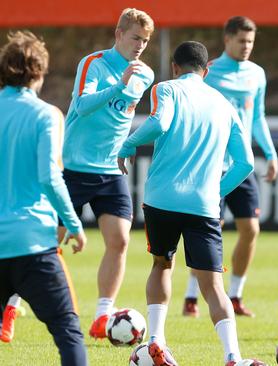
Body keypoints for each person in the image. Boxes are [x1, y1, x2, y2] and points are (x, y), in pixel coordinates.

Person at [117, 41, 255, 366]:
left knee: (161, 265)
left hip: (160, 200)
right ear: (206, 71)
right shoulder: (224, 104)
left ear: (175, 67)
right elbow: (246, 163)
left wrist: (128, 144)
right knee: (212, 285)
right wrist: (216, 191)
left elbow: (158, 123)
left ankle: (156, 340)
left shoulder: (166, 89)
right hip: (203, 206)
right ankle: (232, 355)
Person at [60, 7, 155, 340]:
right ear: (118, 34)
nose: (140, 45)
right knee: (46, 245)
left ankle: (102, 316)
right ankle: (10, 304)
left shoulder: (147, 75)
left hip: (110, 170)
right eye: (135, 38)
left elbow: (125, 119)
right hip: (73, 167)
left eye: (145, 40)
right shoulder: (93, 64)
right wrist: (119, 84)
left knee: (119, 240)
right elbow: (83, 106)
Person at [0, 30, 87, 365]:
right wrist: (73, 222)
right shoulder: (46, 115)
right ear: (39, 72)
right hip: (32, 243)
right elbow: (49, 176)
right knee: (67, 330)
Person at [182, 16, 278, 318]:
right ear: (227, 40)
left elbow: (258, 117)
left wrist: (271, 152)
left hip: (241, 165)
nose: (247, 46)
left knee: (251, 229)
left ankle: (235, 294)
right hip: (211, 164)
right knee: (210, 229)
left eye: (251, 41)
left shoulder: (257, 74)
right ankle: (191, 296)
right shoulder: (209, 72)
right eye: (241, 41)